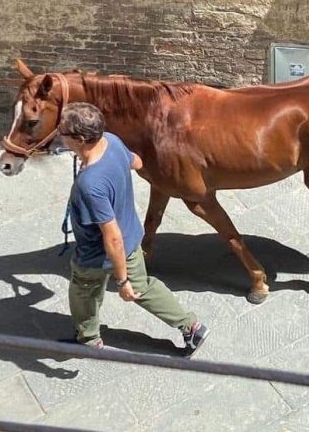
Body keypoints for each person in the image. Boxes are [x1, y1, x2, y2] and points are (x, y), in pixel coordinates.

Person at [57, 102, 209, 357]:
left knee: (83, 293)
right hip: (132, 237)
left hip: (98, 253)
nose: (60, 135)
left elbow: (112, 238)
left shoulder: (90, 184)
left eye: (64, 132)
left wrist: (122, 281)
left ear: (81, 139)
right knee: (145, 287)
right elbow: (137, 162)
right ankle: (191, 326)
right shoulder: (111, 141)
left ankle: (88, 339)